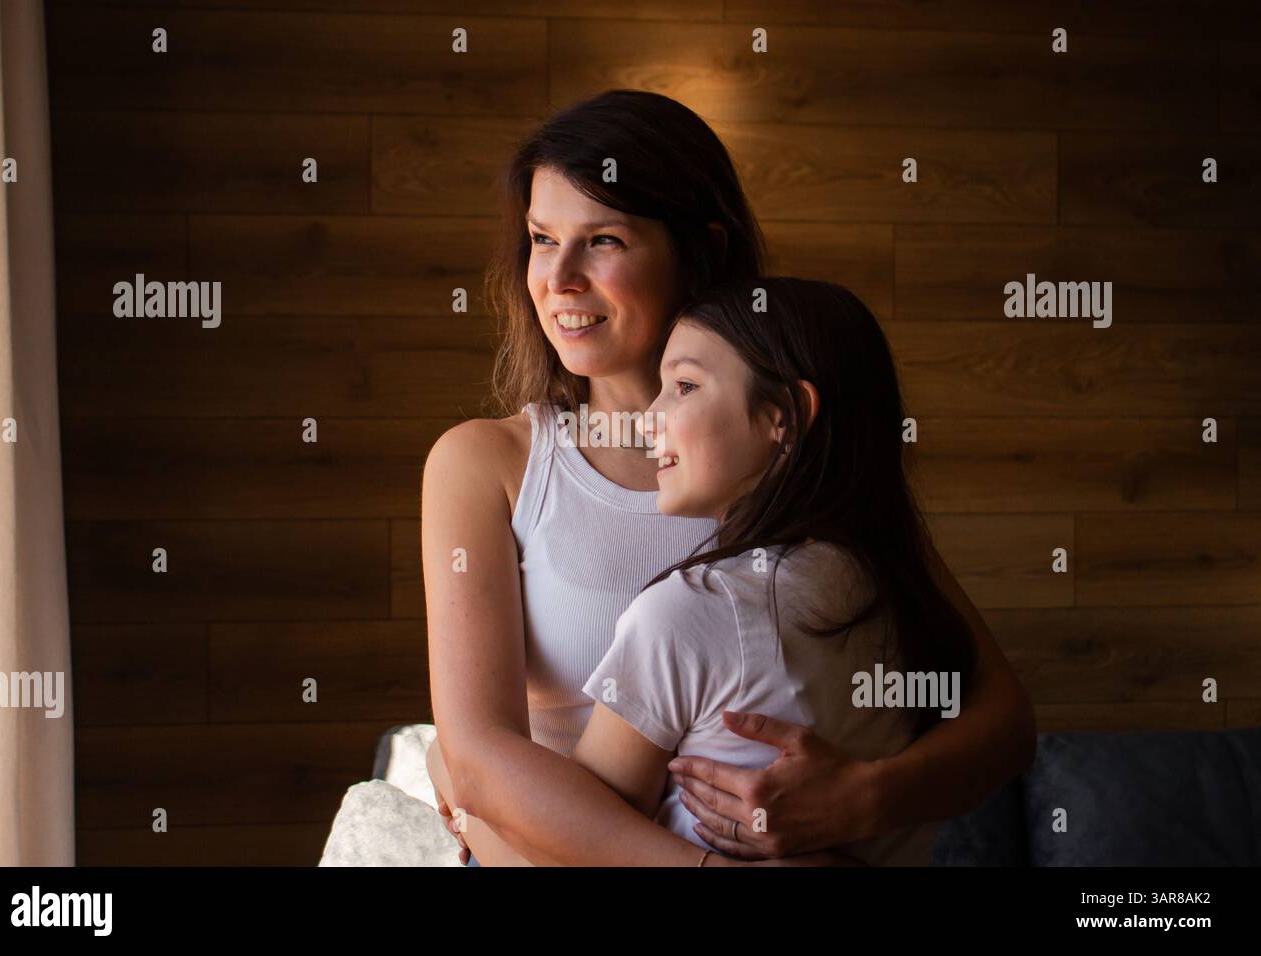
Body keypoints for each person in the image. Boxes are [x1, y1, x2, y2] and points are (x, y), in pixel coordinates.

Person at [423, 90, 1035, 866]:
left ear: (701, 252)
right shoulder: (486, 463)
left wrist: (866, 797)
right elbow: (476, 756)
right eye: (543, 239)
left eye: (603, 239)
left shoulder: (796, 460)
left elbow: (1002, 719)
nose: (561, 279)